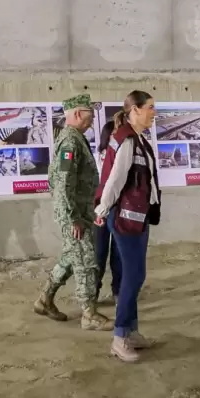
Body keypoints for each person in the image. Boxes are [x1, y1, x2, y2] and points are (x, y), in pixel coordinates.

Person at [34, 94, 113, 332]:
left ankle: (44, 300)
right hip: (74, 214)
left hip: (80, 211)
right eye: (89, 116)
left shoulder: (75, 138)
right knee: (87, 262)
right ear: (78, 114)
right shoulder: (70, 142)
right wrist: (73, 218)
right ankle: (89, 315)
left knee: (71, 257)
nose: (91, 121)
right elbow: (63, 182)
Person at [94, 90, 160, 363]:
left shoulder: (137, 138)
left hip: (138, 216)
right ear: (135, 110)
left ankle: (131, 332)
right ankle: (120, 337)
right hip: (125, 217)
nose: (154, 113)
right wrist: (101, 208)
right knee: (133, 276)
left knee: (136, 274)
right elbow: (114, 178)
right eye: (150, 108)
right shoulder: (128, 139)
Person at [94, 120, 121, 306]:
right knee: (98, 253)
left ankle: (118, 291)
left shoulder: (123, 155)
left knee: (119, 254)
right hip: (99, 210)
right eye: (114, 133)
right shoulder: (98, 157)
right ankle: (92, 292)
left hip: (118, 209)